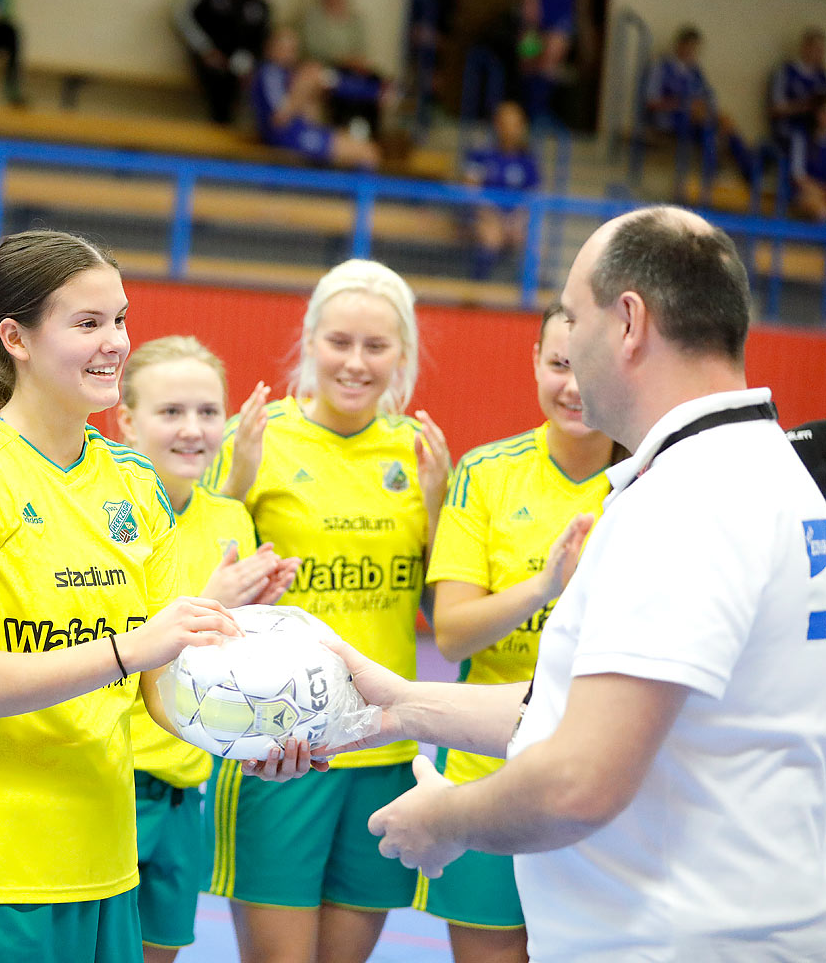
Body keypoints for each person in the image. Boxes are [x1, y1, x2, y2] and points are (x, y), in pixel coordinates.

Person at [320, 205, 826, 961]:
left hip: (676, 940)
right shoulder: (768, 471)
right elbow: (597, 713)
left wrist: (445, 818)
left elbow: (579, 779)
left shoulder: (687, 500)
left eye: (572, 313)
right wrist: (398, 705)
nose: (568, 342)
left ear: (628, 322)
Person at [0, 230, 261, 963]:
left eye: (119, 319)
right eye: (87, 323)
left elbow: (161, 691)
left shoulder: (131, 478)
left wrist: (257, 734)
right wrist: (130, 647)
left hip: (105, 863)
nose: (114, 342)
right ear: (15, 338)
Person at [202, 259, 451, 963]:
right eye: (339, 341)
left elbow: (450, 618)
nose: (355, 362)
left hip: (382, 745)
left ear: (402, 354)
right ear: (309, 341)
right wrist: (238, 484)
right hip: (280, 748)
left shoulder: (418, 451)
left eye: (376, 347)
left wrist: (438, 510)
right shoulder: (258, 441)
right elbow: (198, 587)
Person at [415, 302, 615, 963]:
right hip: (486, 773)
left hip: (605, 774)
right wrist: (542, 589)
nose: (574, 386)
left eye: (588, 364)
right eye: (559, 364)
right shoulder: (487, 474)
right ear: (534, 362)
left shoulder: (652, 479)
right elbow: (451, 635)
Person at [115, 337, 299, 963]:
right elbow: (107, 650)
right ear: (126, 420)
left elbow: (215, 669)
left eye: (207, 412)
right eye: (171, 412)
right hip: (106, 787)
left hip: (181, 795)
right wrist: (208, 601)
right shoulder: (103, 513)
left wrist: (253, 618)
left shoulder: (229, 519)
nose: (192, 429)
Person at [643, 26, 761, 193]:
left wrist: (703, 108)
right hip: (667, 119)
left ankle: (751, 171)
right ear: (679, 45)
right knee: (708, 128)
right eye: (688, 47)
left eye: (695, 49)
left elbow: (708, 97)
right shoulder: (661, 67)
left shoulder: (695, 71)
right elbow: (651, 102)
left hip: (695, 120)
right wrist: (684, 105)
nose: (691, 52)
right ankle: (712, 176)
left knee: (725, 121)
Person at [251, 27, 380, 171]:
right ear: (270, 48)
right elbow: (278, 120)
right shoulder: (270, 72)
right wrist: (303, 86)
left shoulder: (291, 73)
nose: (290, 54)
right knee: (366, 152)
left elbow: (336, 85)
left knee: (366, 149)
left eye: (293, 49)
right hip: (287, 137)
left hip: (303, 131)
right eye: (284, 48)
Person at [173, 0, 271, 125]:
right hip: (208, 55)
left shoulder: (259, 3)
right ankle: (219, 128)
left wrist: (246, 64)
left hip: (240, 63)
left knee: (254, 78)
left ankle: (235, 131)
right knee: (218, 76)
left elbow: (261, 41)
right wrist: (204, 48)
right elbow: (181, 16)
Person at [299, 0, 392, 139]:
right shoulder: (313, 17)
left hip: (352, 68)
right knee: (336, 83)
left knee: (375, 83)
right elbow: (314, 49)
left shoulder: (356, 19)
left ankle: (368, 134)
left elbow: (361, 50)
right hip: (325, 68)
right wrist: (343, 59)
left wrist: (356, 62)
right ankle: (338, 133)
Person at [464, 100, 541, 280]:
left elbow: (534, 197)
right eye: (505, 124)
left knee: (533, 243)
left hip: (514, 220)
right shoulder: (481, 154)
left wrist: (516, 220)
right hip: (483, 216)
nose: (510, 129)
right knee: (490, 237)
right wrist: (490, 215)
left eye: (515, 124)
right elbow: (470, 190)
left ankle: (526, 296)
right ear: (497, 125)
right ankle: (477, 287)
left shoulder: (528, 160)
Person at [767, 27, 826, 152]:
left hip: (816, 131)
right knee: (802, 140)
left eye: (822, 49)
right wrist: (805, 106)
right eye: (817, 49)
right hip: (790, 130)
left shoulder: (822, 76)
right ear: (805, 47)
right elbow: (775, 109)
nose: (820, 53)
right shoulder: (785, 72)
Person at [790, 96, 826, 222]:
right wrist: (819, 191)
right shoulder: (801, 137)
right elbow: (798, 176)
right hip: (805, 193)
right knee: (820, 208)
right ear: (817, 113)